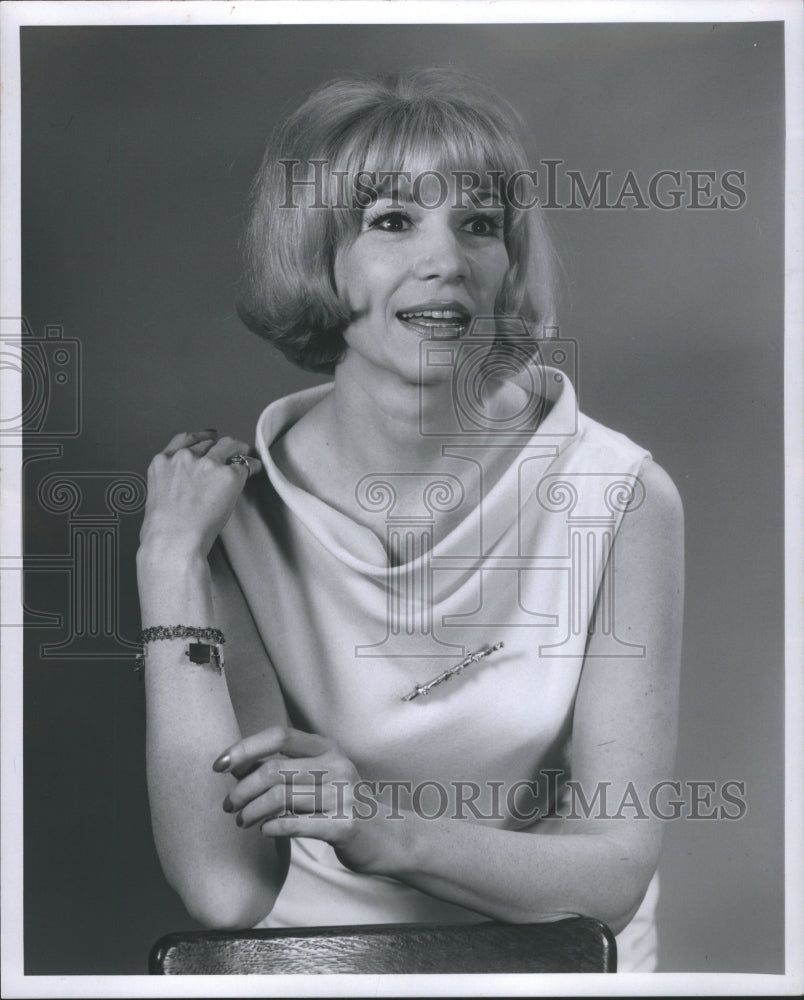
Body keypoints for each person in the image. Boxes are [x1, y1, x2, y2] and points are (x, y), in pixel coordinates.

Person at [137, 68, 683, 973]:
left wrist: (383, 828)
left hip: (557, 967)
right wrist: (167, 564)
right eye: (393, 221)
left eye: (479, 224)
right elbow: (226, 888)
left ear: (508, 265)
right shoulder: (229, 516)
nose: (448, 259)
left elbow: (613, 873)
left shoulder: (618, 495)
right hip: (315, 968)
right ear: (319, 257)